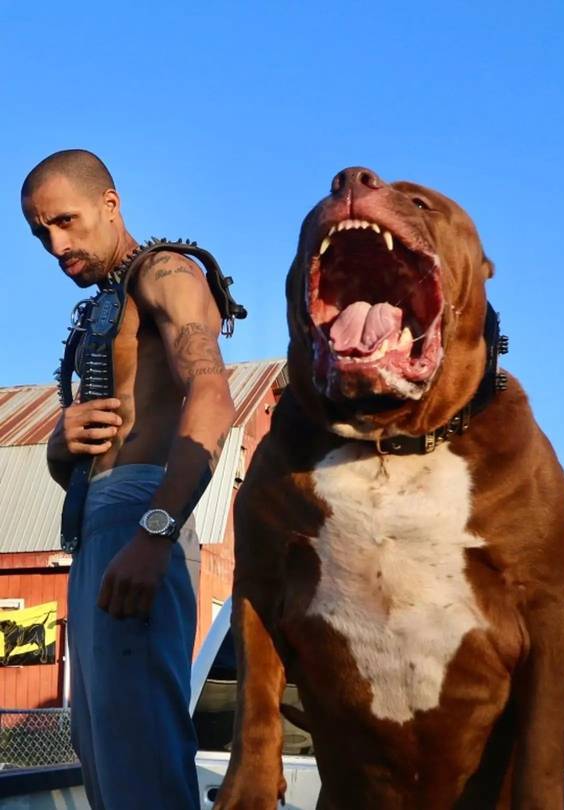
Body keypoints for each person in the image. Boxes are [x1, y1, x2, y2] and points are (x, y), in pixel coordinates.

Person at [21, 149, 236, 810]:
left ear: (110, 205)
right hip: (97, 525)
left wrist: (154, 533)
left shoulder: (167, 270)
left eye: (67, 221)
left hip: (144, 516)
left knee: (141, 756)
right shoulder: (102, 309)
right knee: (104, 752)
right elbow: (76, 465)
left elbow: (213, 397)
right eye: (40, 233)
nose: (57, 244)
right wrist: (62, 444)